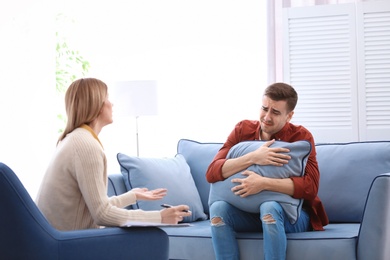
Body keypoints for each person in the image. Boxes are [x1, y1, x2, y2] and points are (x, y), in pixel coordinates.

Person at [36, 78, 191, 231]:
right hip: (67, 243)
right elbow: (102, 215)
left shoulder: (76, 139)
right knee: (154, 238)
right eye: (107, 98)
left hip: (55, 238)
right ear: (97, 105)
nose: (112, 104)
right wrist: (160, 217)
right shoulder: (87, 146)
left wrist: (132, 196)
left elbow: (97, 207)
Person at [206, 82, 328, 260]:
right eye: (264, 109)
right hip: (246, 214)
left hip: (289, 216)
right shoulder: (242, 130)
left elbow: (310, 187)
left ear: (289, 115)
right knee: (218, 209)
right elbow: (212, 172)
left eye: (276, 112)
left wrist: (263, 184)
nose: (267, 117)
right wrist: (254, 157)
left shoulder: (301, 137)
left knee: (269, 207)